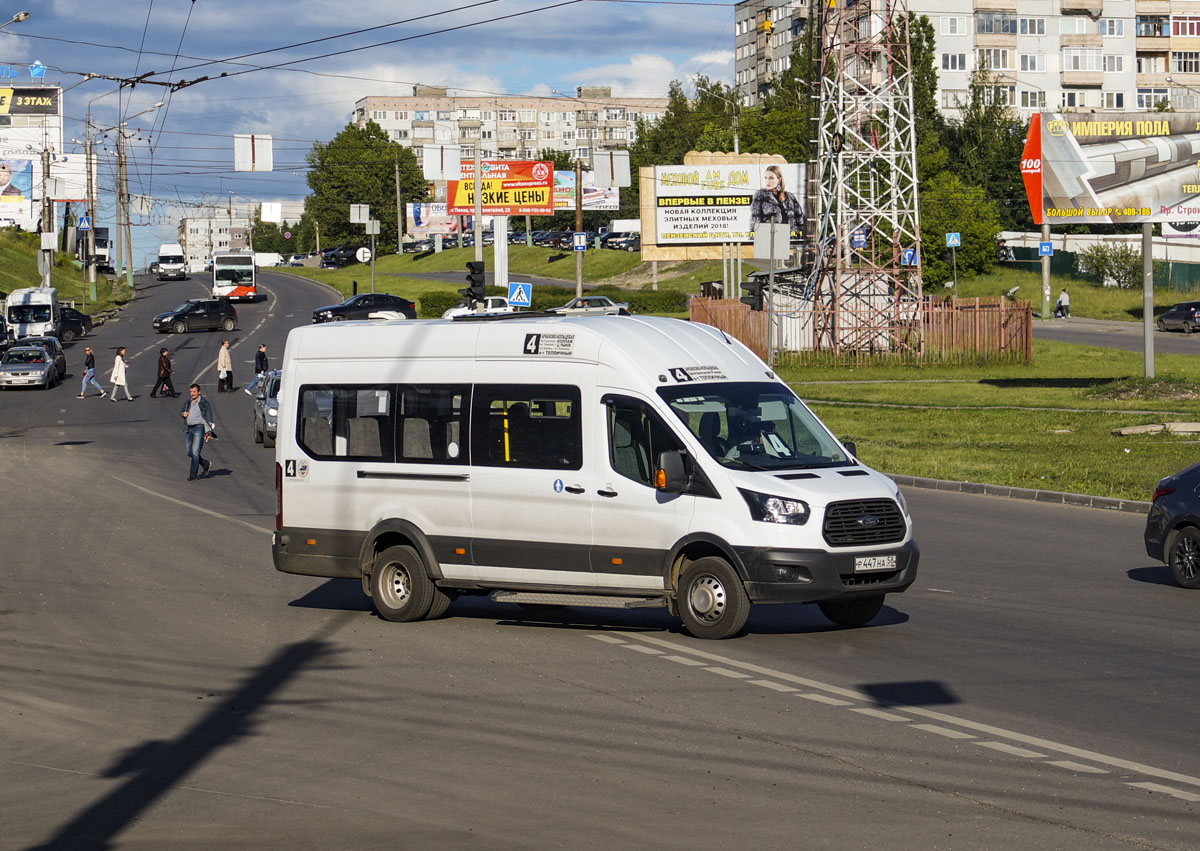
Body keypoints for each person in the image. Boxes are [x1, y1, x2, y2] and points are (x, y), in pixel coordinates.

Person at [749, 165, 804, 233]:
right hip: (769, 239)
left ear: (779, 179)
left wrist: (798, 234)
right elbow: (754, 226)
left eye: (771, 178)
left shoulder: (790, 197)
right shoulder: (760, 198)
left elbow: (800, 220)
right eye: (765, 178)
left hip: (790, 240)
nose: (767, 181)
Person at [180, 383, 216, 481]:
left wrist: (209, 432)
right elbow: (181, 411)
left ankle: (193, 474)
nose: (192, 394)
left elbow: (209, 418)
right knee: (189, 452)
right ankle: (205, 463)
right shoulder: (188, 402)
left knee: (195, 452)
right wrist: (183, 413)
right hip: (189, 429)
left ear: (199, 392)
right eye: (191, 392)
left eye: (194, 392)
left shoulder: (204, 403)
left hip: (199, 428)